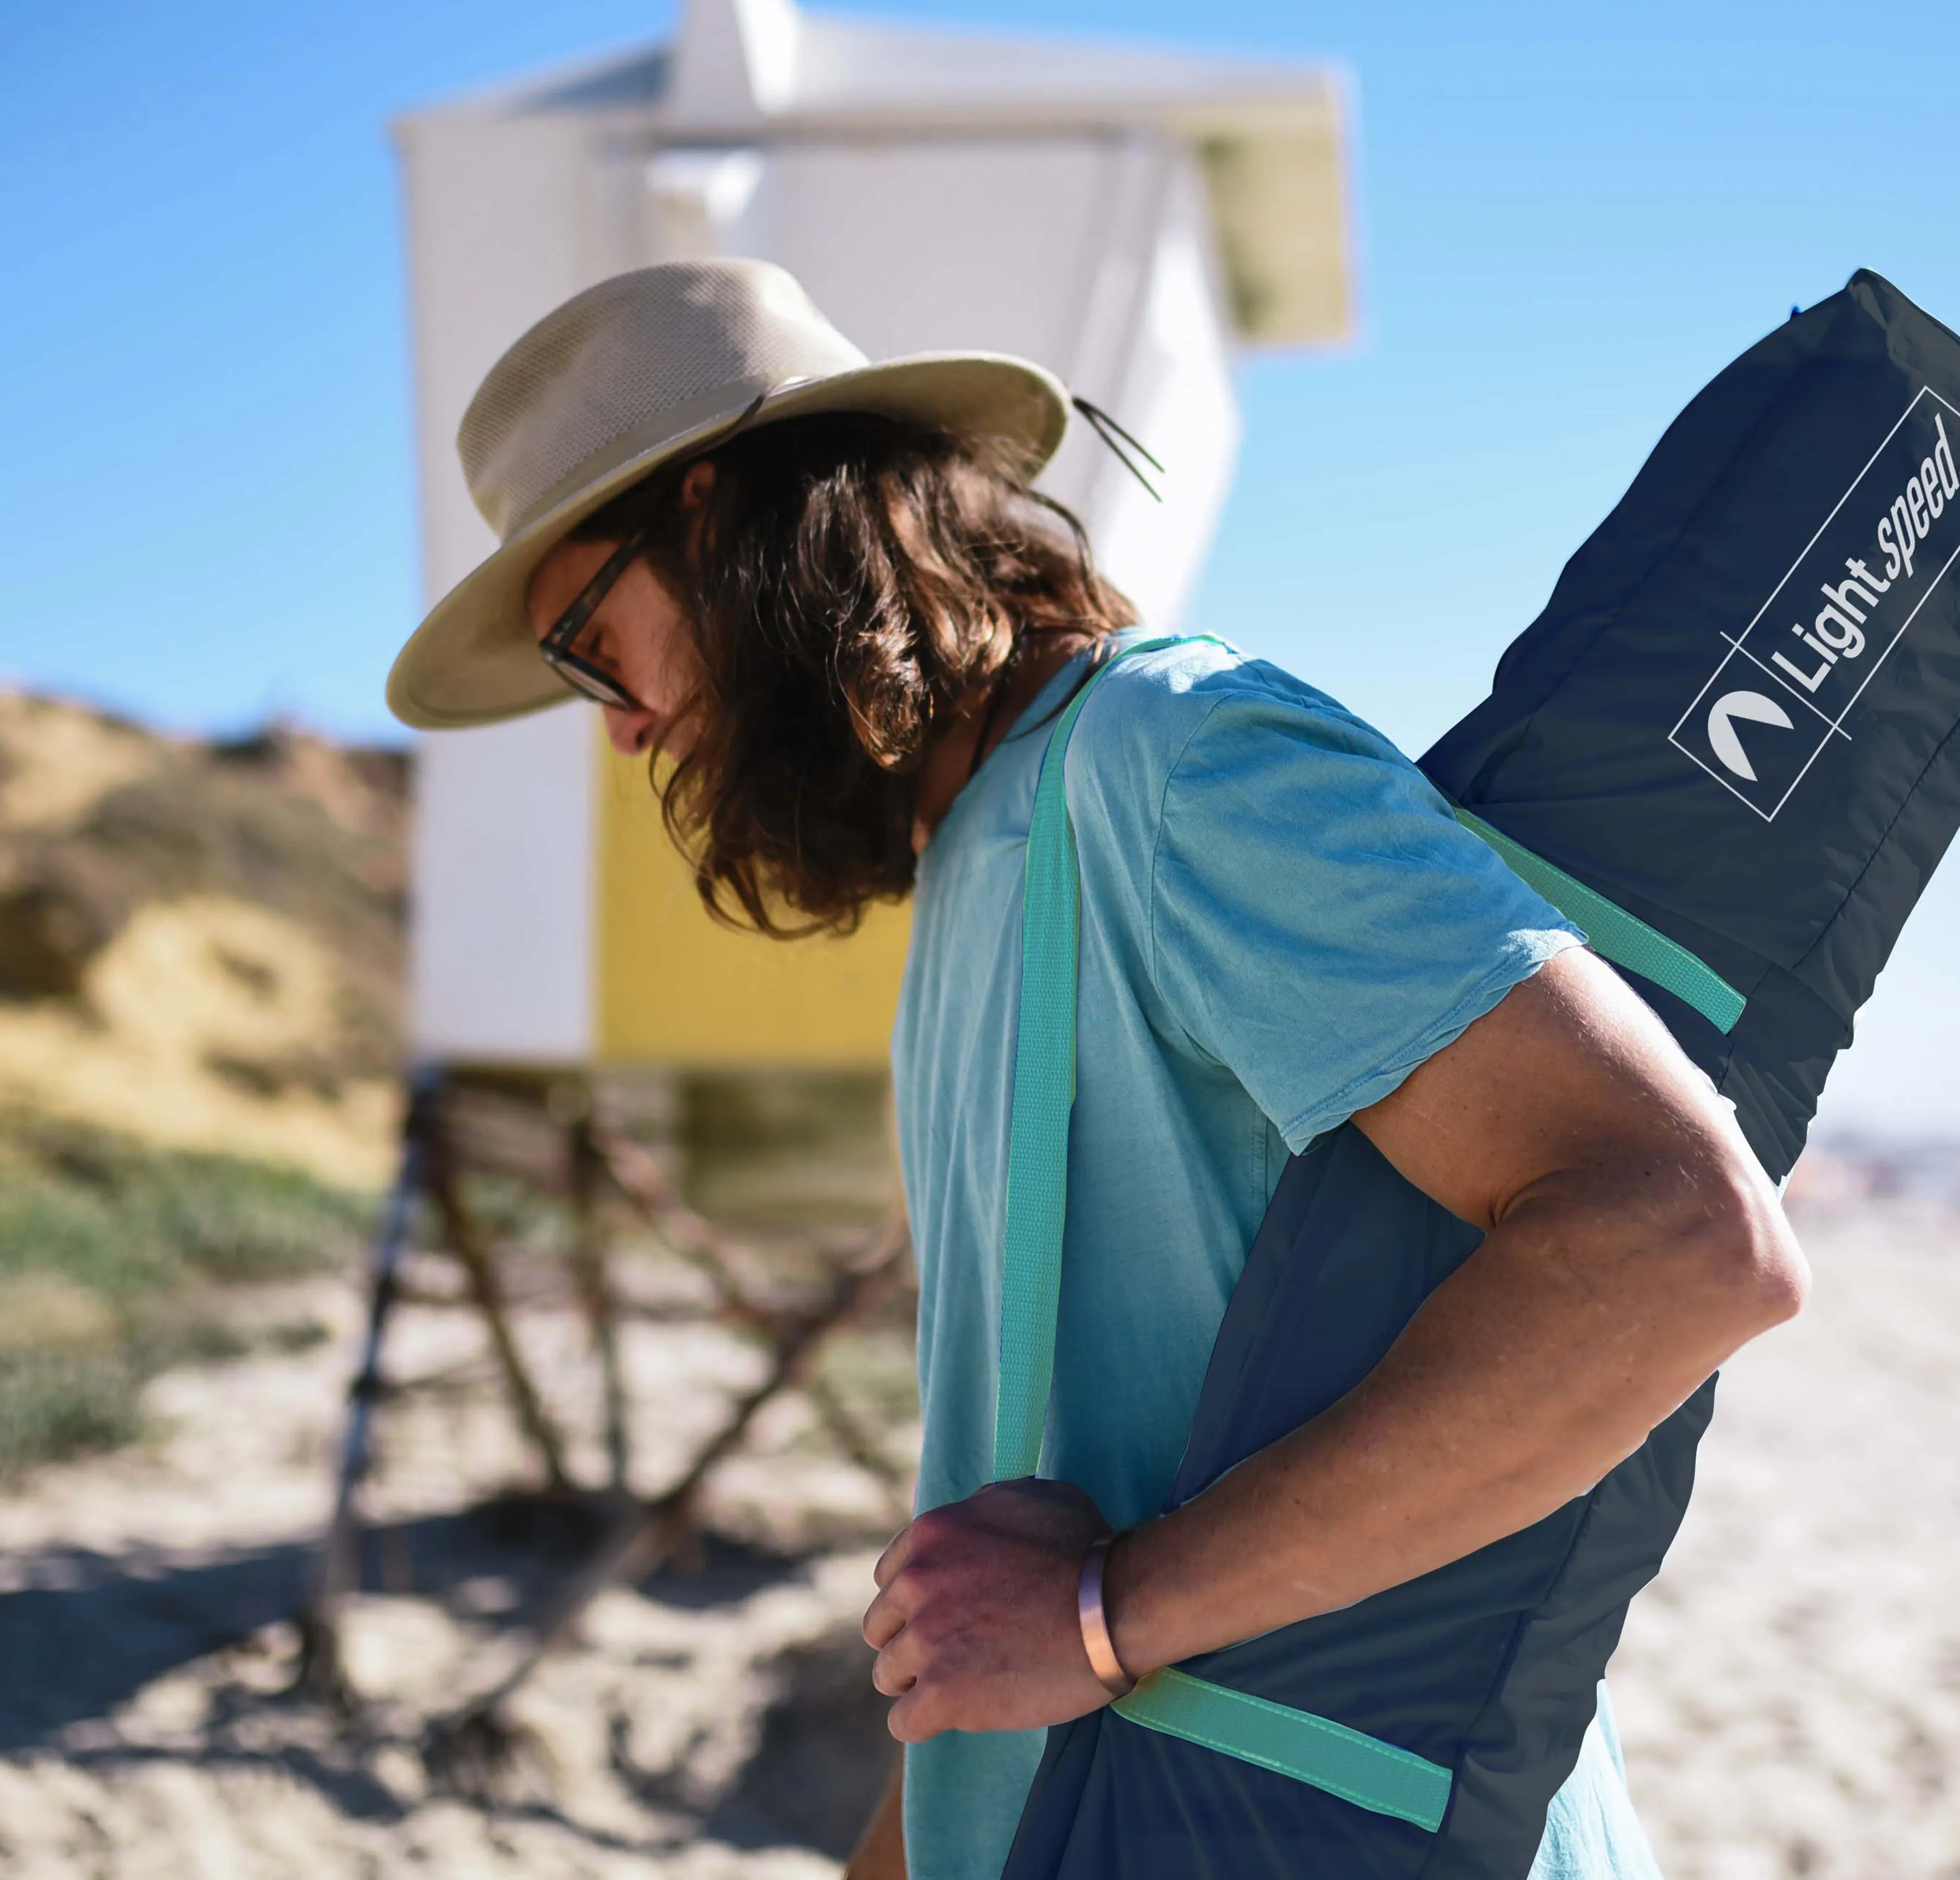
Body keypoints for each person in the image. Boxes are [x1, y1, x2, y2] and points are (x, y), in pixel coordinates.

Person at [387, 258, 1808, 1880]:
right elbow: (1020, 1535)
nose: (623, 729)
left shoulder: (1166, 765)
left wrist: (1107, 1614)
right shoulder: (987, 860)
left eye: (589, 643)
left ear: (719, 523)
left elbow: (1686, 1240)